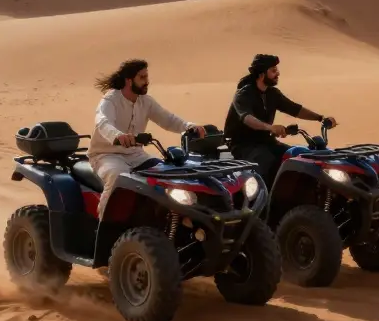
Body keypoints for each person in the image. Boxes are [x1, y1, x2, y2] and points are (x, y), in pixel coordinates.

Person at [90, 59, 204, 217]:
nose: (147, 81)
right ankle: (104, 226)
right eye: (142, 77)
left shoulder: (146, 101)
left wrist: (188, 126)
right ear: (129, 80)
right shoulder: (110, 100)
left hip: (137, 155)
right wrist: (117, 136)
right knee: (118, 176)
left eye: (146, 77)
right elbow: (103, 122)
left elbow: (168, 119)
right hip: (106, 155)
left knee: (166, 175)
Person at [223, 54, 336, 187]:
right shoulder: (243, 94)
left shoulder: (272, 93)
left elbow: (295, 109)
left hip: (266, 141)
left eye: (277, 70)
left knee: (297, 156)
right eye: (273, 70)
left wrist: (320, 118)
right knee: (266, 161)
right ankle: (260, 202)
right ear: (261, 74)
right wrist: (270, 128)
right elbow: (247, 118)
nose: (278, 73)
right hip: (243, 144)